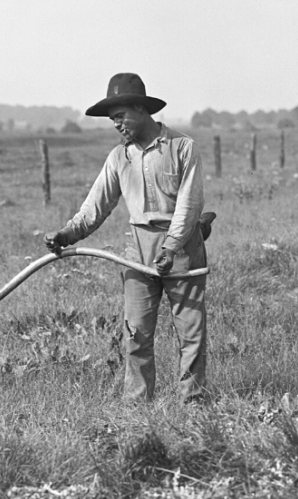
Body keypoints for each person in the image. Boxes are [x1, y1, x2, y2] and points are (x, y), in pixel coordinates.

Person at [44, 73, 212, 403]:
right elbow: (95, 206)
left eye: (120, 116)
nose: (117, 125)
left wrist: (171, 245)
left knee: (191, 333)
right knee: (136, 333)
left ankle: (193, 405)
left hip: (182, 249)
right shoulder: (119, 157)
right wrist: (66, 234)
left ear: (140, 108)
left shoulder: (182, 147)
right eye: (112, 120)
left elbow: (190, 204)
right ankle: (137, 407)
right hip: (137, 249)